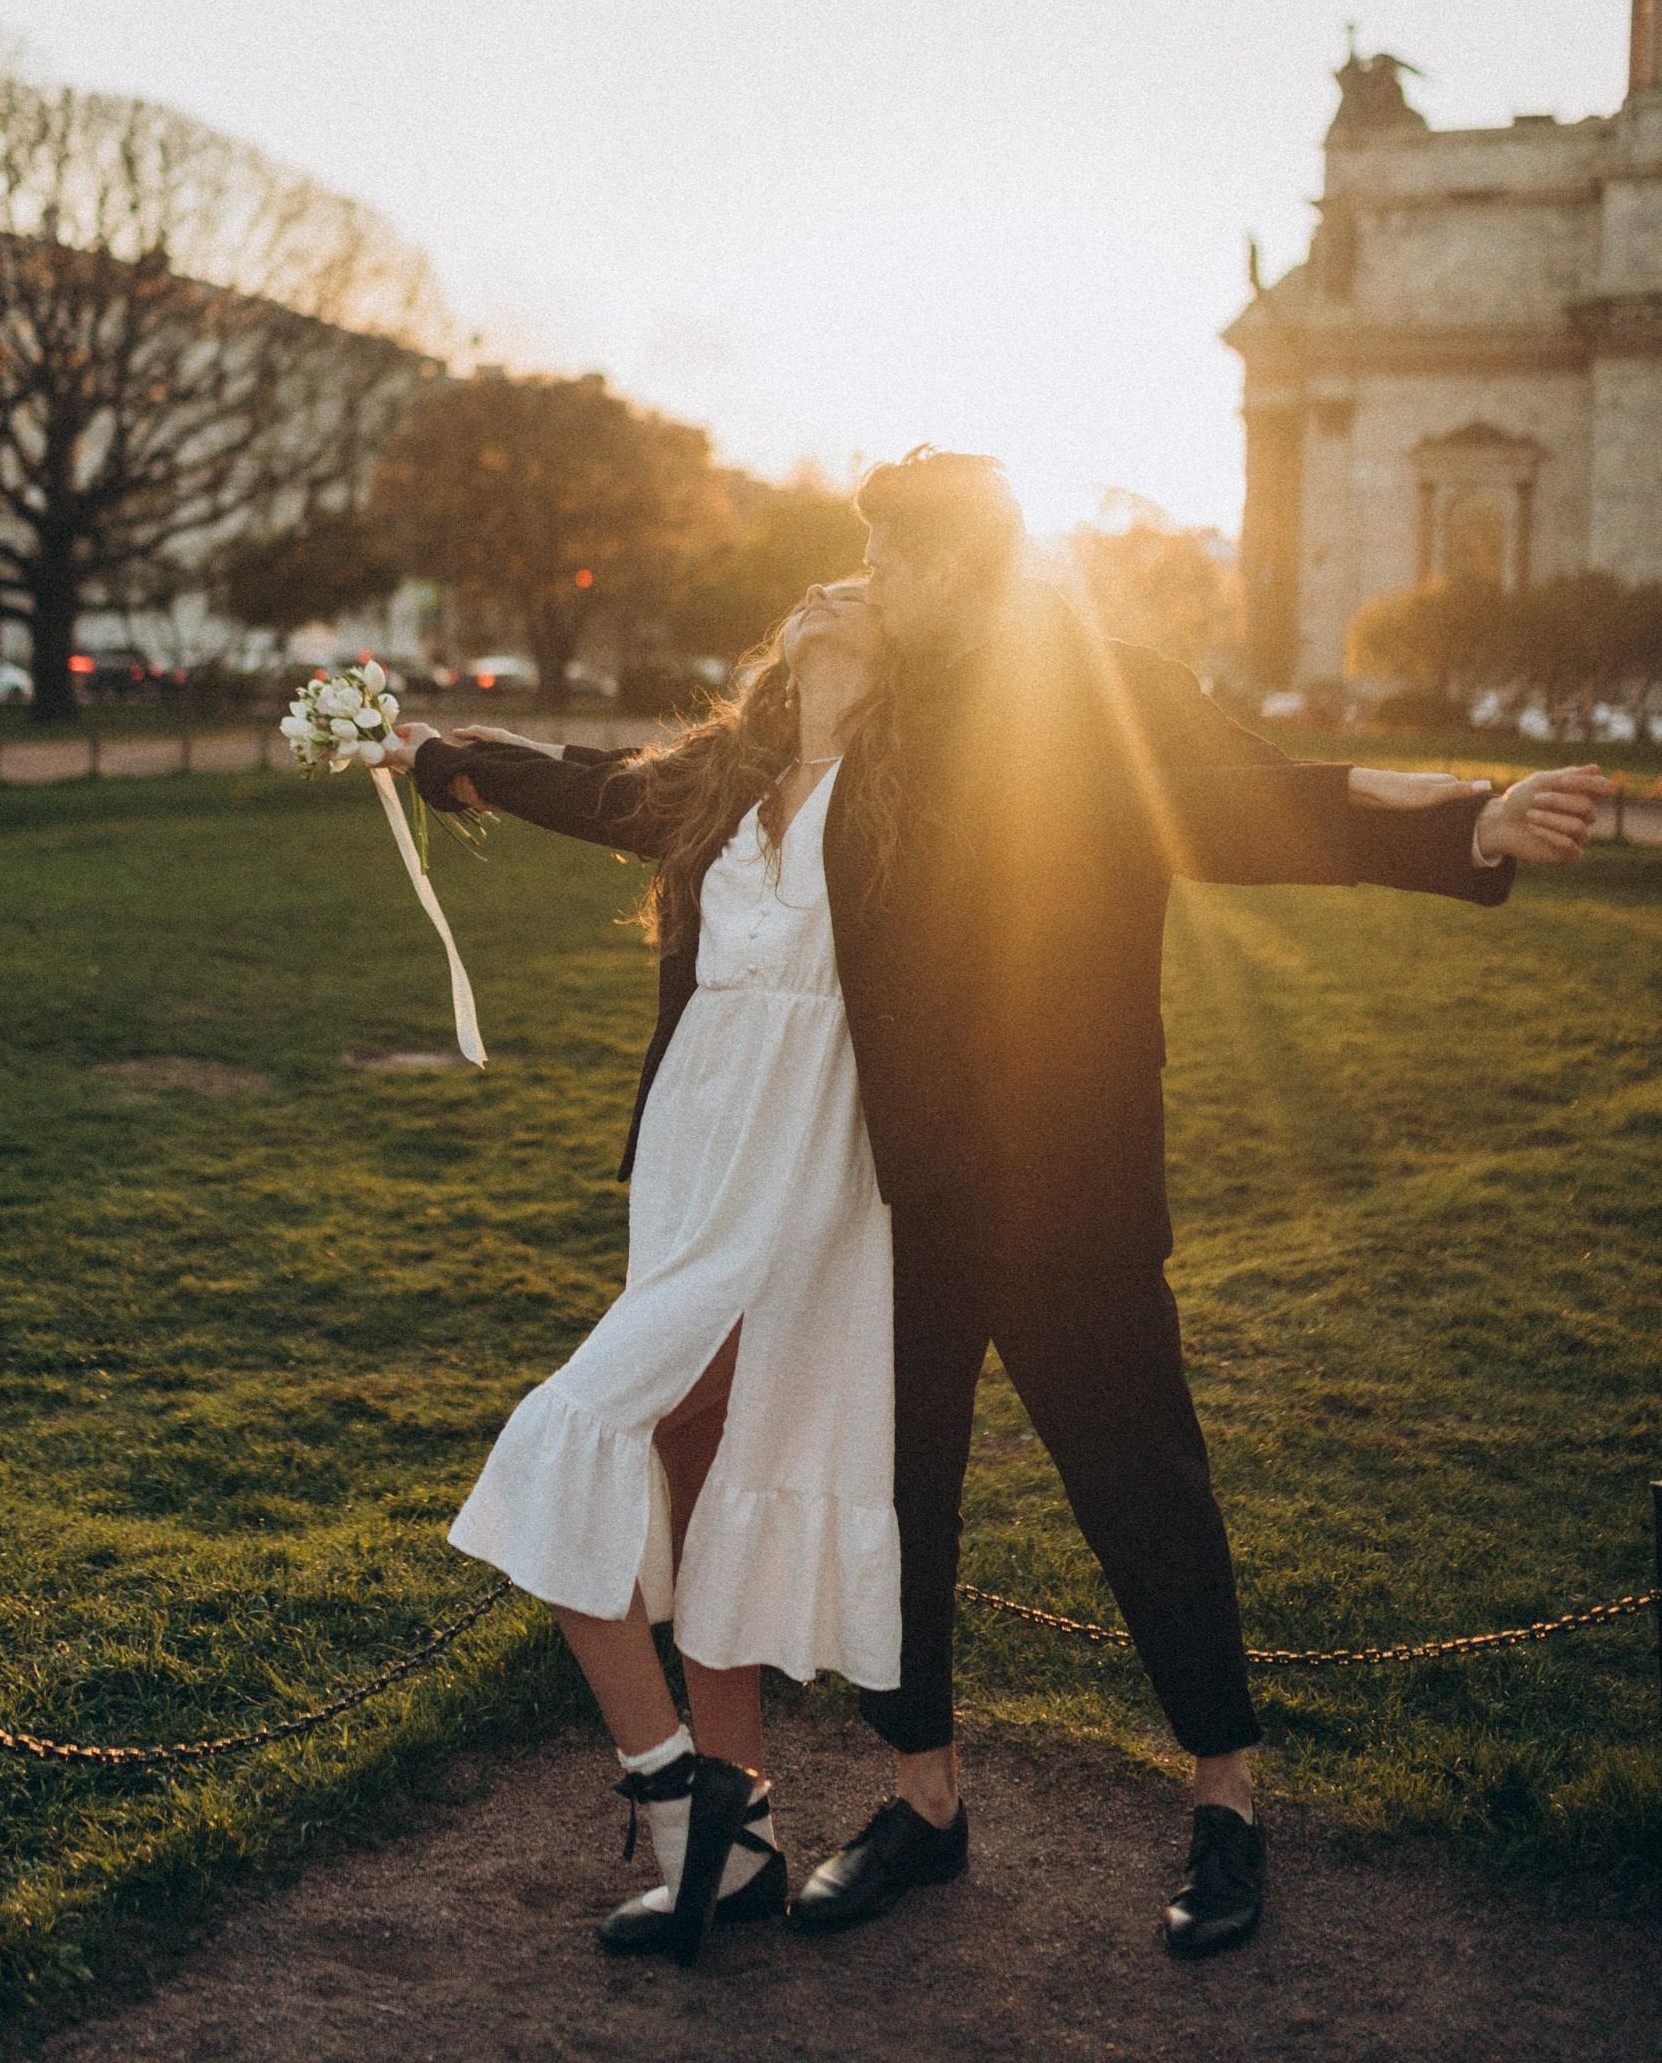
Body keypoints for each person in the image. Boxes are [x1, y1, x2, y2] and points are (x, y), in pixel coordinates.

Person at [776, 450, 1601, 1960]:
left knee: (1142, 1492)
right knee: (898, 1500)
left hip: (1072, 1181)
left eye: (896, 559)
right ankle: (925, 1798)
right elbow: (691, 809)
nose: (874, 582)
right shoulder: (862, 696)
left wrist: (1466, 827)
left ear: (967, 566)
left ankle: (1226, 1797)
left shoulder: (1115, 688)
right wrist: (448, 757)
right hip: (893, 1187)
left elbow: (1251, 807)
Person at [383, 580, 902, 1966]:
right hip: (695, 1154)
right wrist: (438, 752)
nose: (834, 589)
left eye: (869, 582)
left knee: (575, 1431)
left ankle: (679, 1796)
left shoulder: (926, 786)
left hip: (815, 1169)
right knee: (689, 1450)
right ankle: (727, 1836)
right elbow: (590, 786)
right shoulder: (727, 780)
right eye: (817, 586)